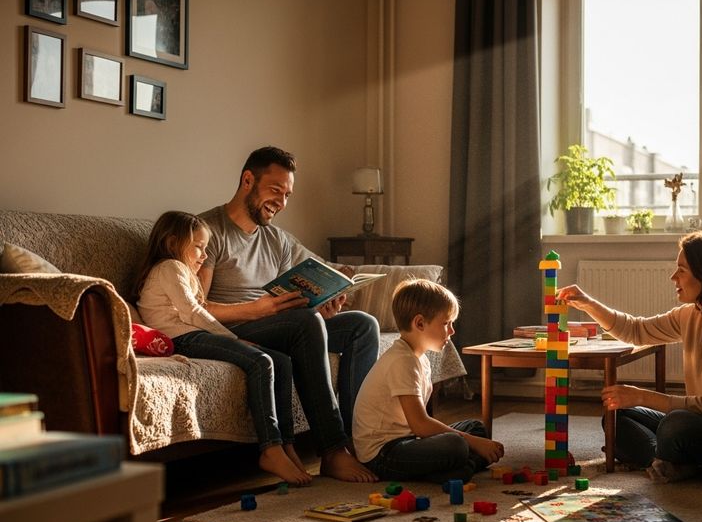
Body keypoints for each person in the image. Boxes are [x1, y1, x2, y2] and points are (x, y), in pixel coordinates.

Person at [198, 146, 379, 483]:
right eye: (275, 190)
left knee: (362, 326)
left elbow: (302, 290)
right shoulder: (207, 230)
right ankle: (332, 449)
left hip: (276, 323)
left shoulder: (276, 239)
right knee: (306, 323)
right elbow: (196, 309)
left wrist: (323, 303)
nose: (281, 202)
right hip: (232, 331)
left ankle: (357, 443)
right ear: (248, 180)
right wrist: (256, 309)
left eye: (287, 194)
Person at [556, 230, 702, 483]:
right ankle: (672, 462)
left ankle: (671, 460)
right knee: (617, 418)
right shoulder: (691, 314)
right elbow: (636, 330)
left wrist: (641, 395)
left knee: (676, 426)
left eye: (682, 270)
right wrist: (588, 303)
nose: (673, 277)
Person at [134, 211, 312, 486]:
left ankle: (288, 445)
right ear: (172, 244)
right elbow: (192, 312)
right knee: (261, 361)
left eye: (205, 248)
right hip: (183, 338)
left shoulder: (181, 271)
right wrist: (233, 339)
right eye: (198, 247)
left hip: (194, 334)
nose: (203, 255)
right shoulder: (170, 267)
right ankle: (271, 447)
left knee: (282, 361)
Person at [352, 279, 505, 483]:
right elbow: (421, 425)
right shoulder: (402, 361)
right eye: (446, 323)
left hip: (408, 440)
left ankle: (453, 470)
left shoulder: (420, 359)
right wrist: (473, 443)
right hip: (383, 454)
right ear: (420, 323)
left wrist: (473, 440)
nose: (452, 331)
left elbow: (421, 427)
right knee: (457, 445)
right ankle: (458, 470)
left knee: (476, 428)